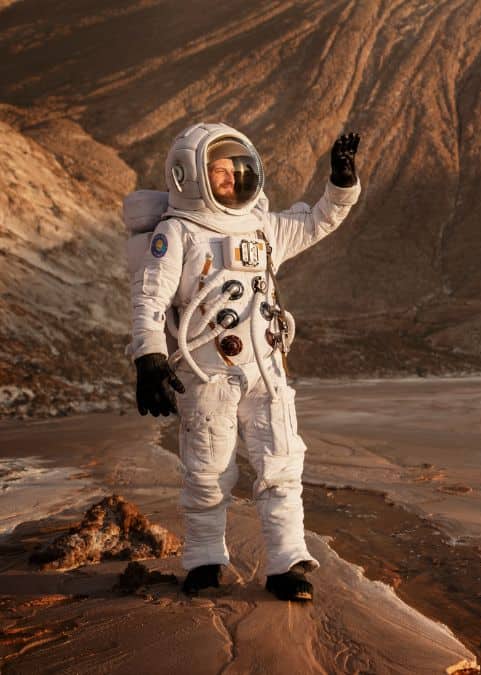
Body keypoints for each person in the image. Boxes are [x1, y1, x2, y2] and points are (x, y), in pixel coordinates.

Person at [129, 123, 361, 601]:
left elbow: (318, 221)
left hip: (267, 370)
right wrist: (149, 359)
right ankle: (204, 559)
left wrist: (340, 183)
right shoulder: (178, 233)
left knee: (282, 463)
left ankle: (286, 562)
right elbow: (149, 299)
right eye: (218, 172)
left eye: (235, 169)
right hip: (207, 370)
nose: (231, 179)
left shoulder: (262, 226)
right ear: (188, 176)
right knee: (208, 469)